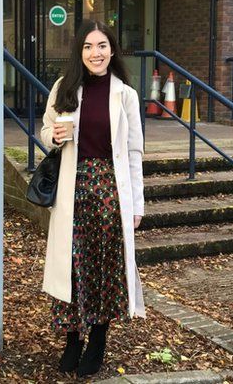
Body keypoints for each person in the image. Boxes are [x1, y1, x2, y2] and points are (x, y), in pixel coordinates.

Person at [39, 20, 146, 377]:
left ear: (112, 50)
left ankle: (98, 337)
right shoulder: (64, 87)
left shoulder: (125, 95)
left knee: (102, 268)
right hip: (72, 189)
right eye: (87, 46)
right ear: (79, 52)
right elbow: (45, 130)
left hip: (109, 194)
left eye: (101, 46)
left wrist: (136, 205)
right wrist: (53, 136)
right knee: (69, 266)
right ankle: (72, 337)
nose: (95, 53)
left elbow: (134, 151)